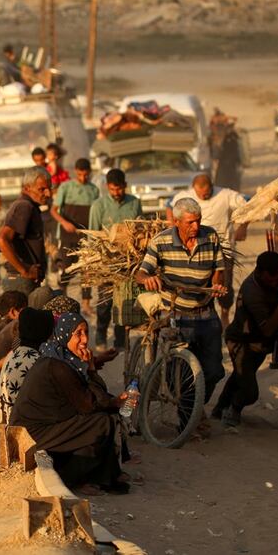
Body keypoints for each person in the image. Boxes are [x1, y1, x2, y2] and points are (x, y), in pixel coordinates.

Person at [135, 197, 227, 438]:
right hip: (174, 312)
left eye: (198, 221)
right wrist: (148, 279)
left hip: (205, 312)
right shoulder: (161, 241)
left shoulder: (211, 237)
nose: (196, 226)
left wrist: (217, 285)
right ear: (176, 222)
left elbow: (218, 271)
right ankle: (189, 420)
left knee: (214, 371)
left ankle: (195, 407)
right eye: (190, 222)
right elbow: (141, 273)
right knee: (179, 372)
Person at [12, 313, 132, 494]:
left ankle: (106, 474)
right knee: (101, 423)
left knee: (104, 417)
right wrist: (91, 370)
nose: (85, 340)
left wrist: (110, 399)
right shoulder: (57, 366)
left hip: (48, 425)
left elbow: (92, 399)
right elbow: (89, 405)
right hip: (32, 433)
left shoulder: (61, 359)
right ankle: (71, 478)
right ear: (65, 335)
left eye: (86, 333)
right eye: (78, 334)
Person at [212, 252, 278, 429]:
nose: (275, 284)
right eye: (270, 280)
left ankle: (219, 409)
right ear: (259, 272)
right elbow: (268, 329)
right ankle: (233, 409)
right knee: (250, 391)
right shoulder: (252, 291)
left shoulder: (276, 280)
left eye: (277, 280)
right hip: (241, 343)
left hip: (258, 345)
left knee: (240, 377)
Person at [168, 173, 248, 327]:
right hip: (196, 249)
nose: (203, 196)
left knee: (224, 285)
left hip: (224, 248)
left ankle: (225, 314)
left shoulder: (225, 195)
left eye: (206, 192)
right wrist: (173, 226)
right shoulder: (185, 197)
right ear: (194, 189)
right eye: (200, 193)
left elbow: (247, 205)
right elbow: (169, 206)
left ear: (212, 187)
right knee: (199, 284)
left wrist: (243, 226)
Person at [89, 169, 143, 350]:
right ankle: (101, 336)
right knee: (105, 303)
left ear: (125, 186)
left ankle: (120, 341)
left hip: (128, 261)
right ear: (107, 187)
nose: (116, 192)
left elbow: (140, 229)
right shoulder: (98, 206)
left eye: (119, 189)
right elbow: (92, 236)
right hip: (106, 261)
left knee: (124, 300)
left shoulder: (135, 203)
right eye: (112, 189)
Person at [51, 158, 100, 310]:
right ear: (75, 172)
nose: (83, 178)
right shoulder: (66, 187)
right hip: (67, 234)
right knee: (66, 267)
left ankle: (86, 302)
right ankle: (63, 299)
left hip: (85, 234)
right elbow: (54, 210)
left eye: (86, 175)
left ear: (89, 173)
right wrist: (64, 223)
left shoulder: (94, 190)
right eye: (80, 175)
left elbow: (96, 213)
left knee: (87, 268)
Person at [0, 167, 51, 291]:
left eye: (49, 188)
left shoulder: (30, 206)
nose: (48, 194)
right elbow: (1, 240)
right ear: (27, 188)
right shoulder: (24, 206)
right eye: (42, 189)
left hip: (25, 278)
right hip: (21, 280)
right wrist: (25, 270)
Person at [0, 307, 55, 420]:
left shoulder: (14, 353)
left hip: (10, 418)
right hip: (26, 422)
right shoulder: (37, 361)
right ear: (43, 331)